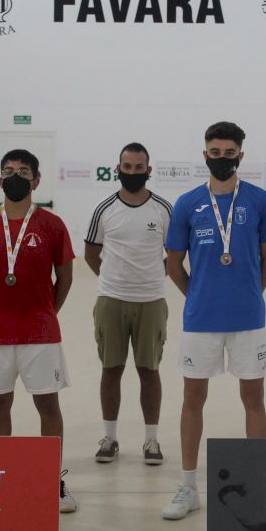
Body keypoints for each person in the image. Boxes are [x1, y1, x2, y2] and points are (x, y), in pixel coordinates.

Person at [161, 121, 266, 520]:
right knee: (193, 399)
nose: (222, 159)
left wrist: (249, 294)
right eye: (215, 153)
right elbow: (173, 264)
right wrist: (197, 295)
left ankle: (259, 484)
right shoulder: (187, 203)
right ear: (205, 155)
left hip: (248, 320)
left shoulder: (260, 200)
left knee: (254, 399)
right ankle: (187, 487)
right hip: (200, 321)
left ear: (240, 155)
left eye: (229, 153)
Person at [0, 149, 78, 513]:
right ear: (0, 179)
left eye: (24, 171)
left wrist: (46, 311)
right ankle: (2, 478)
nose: (16, 177)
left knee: (48, 405)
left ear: (36, 180)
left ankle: (53, 480)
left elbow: (65, 277)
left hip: (40, 335)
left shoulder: (52, 225)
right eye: (9, 171)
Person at [84, 143, 173, 465]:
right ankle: (110, 438)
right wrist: (113, 280)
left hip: (151, 301)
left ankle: (151, 440)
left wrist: (152, 277)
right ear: (118, 168)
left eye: (138, 167)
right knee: (111, 370)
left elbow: (175, 253)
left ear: (149, 170)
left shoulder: (163, 209)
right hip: (111, 300)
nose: (132, 172)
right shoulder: (104, 209)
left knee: (149, 370)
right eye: (127, 166)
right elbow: (91, 253)